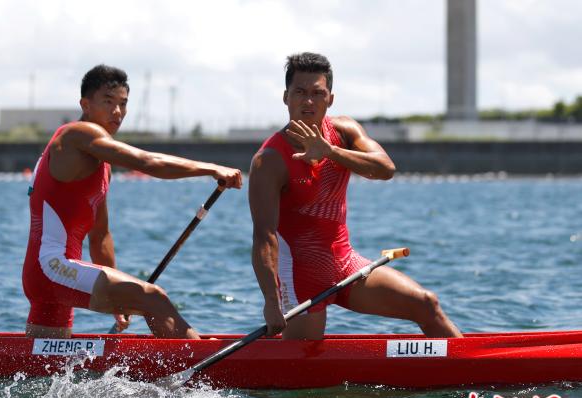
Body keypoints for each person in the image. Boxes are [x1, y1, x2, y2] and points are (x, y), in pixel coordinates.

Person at [248, 52, 462, 340]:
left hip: (346, 266)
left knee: (426, 304)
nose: (308, 101)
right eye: (300, 92)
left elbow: (385, 169)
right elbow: (264, 237)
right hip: (299, 280)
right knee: (304, 367)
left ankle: (477, 377)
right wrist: (271, 303)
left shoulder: (344, 131)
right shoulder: (269, 160)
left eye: (317, 93)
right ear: (286, 97)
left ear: (330, 99)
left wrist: (331, 151)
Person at [23, 64, 243, 339]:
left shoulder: (101, 166)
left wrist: (117, 302)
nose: (117, 112)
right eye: (108, 102)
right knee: (154, 300)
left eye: (123, 104)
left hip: (51, 276)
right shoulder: (76, 135)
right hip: (53, 269)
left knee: (42, 367)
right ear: (85, 104)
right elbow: (147, 162)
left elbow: (100, 236)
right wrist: (212, 169)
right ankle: (201, 375)